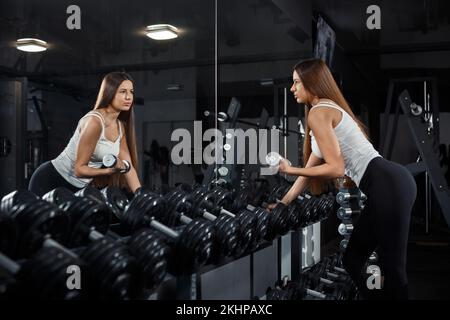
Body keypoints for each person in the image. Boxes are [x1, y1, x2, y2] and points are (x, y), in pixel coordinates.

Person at [271, 58, 416, 299]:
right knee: (353, 259)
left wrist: (291, 169)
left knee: (393, 270)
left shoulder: (318, 113)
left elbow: (336, 169)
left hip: (387, 184)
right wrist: (283, 203)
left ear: (312, 83)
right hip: (390, 182)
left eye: (296, 82)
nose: (292, 88)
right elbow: (308, 174)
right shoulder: (325, 111)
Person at [29, 72, 141, 196]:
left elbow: (128, 168)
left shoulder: (120, 127)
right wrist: (108, 171)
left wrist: (141, 196)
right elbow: (79, 169)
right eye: (123, 91)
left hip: (76, 188)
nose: (128, 97)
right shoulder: (95, 122)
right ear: (110, 93)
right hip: (51, 180)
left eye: (131, 91)